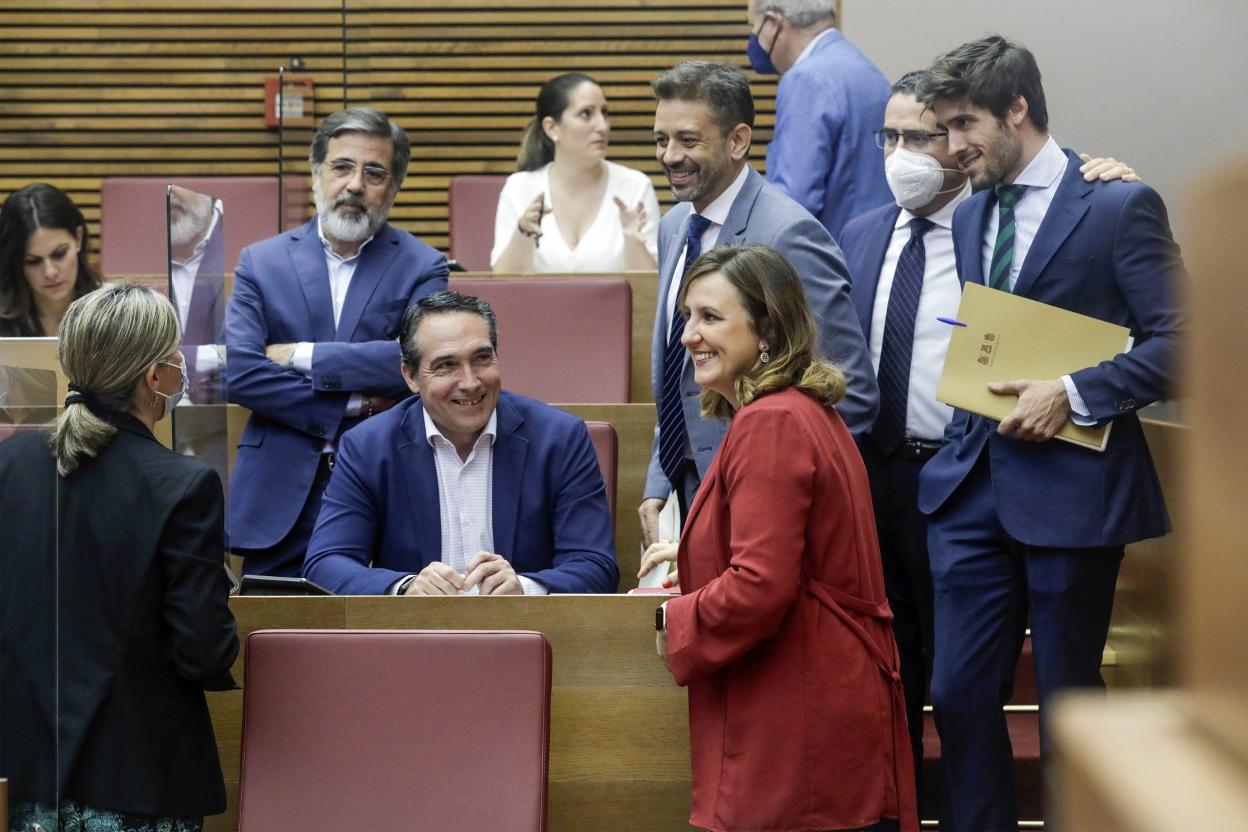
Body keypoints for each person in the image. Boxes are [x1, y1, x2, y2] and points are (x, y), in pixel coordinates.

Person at [838, 70, 1138, 797]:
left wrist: (1105, 174)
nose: (903, 152)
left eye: (927, 134)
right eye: (893, 136)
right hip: (899, 482)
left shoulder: (999, 208)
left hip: (1007, 467)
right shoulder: (868, 231)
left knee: (1050, 695)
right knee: (936, 684)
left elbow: (1072, 245)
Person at [912, 36, 1184, 831]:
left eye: (965, 125)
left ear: (1018, 108)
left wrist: (1073, 392)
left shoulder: (1119, 203)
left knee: (1070, 712)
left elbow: (1187, 343)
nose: (953, 149)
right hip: (968, 492)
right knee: (958, 696)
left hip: (1075, 495)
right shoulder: (968, 217)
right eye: (944, 129)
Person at [646, 244, 916, 832]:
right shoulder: (803, 409)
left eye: (710, 318)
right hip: (820, 696)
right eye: (687, 317)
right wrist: (694, 557)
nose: (689, 335)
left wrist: (674, 619)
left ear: (766, 328)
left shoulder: (770, 422)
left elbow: (761, 585)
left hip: (797, 714)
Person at [1, 282, 239, 832]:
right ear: (155, 378)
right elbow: (204, 651)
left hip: (20, 776)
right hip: (138, 785)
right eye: (176, 363)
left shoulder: (7, 464)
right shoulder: (184, 485)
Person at [640, 60, 877, 547]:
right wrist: (659, 481)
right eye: (661, 139)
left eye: (688, 140)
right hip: (690, 488)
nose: (669, 155)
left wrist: (772, 488)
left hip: (764, 502)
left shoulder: (788, 234)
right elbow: (677, 370)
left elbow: (848, 389)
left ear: (738, 140)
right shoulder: (673, 227)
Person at [224, 106, 448, 577]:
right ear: (315, 173)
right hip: (279, 494)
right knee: (271, 635)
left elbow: (419, 361)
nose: (354, 185)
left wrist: (300, 354)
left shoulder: (423, 265)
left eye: (374, 173)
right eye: (342, 167)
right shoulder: (260, 263)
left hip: (385, 481)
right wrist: (355, 404)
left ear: (394, 187)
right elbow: (240, 373)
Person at [304, 290, 618, 595]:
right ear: (411, 376)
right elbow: (326, 563)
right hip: (413, 635)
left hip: (528, 633)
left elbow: (595, 566)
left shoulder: (560, 438)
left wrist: (524, 588)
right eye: (446, 365)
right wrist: (405, 588)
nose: (470, 382)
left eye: (482, 358)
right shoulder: (368, 447)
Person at [745, 0, 892, 240]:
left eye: (753, 25)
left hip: (830, 260)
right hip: (874, 251)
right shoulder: (869, 71)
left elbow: (793, 201)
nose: (753, 37)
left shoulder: (805, 79)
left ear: (772, 23)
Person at [492, 73, 660, 273]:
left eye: (604, 113)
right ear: (552, 128)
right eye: (586, 114)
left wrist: (633, 239)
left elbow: (650, 292)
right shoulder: (519, 188)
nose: (603, 126)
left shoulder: (635, 186)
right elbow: (502, 286)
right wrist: (523, 233)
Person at [0, 182, 102, 337]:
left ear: (78, 239)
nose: (50, 272)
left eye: (59, 254)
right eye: (33, 261)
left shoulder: (112, 313)